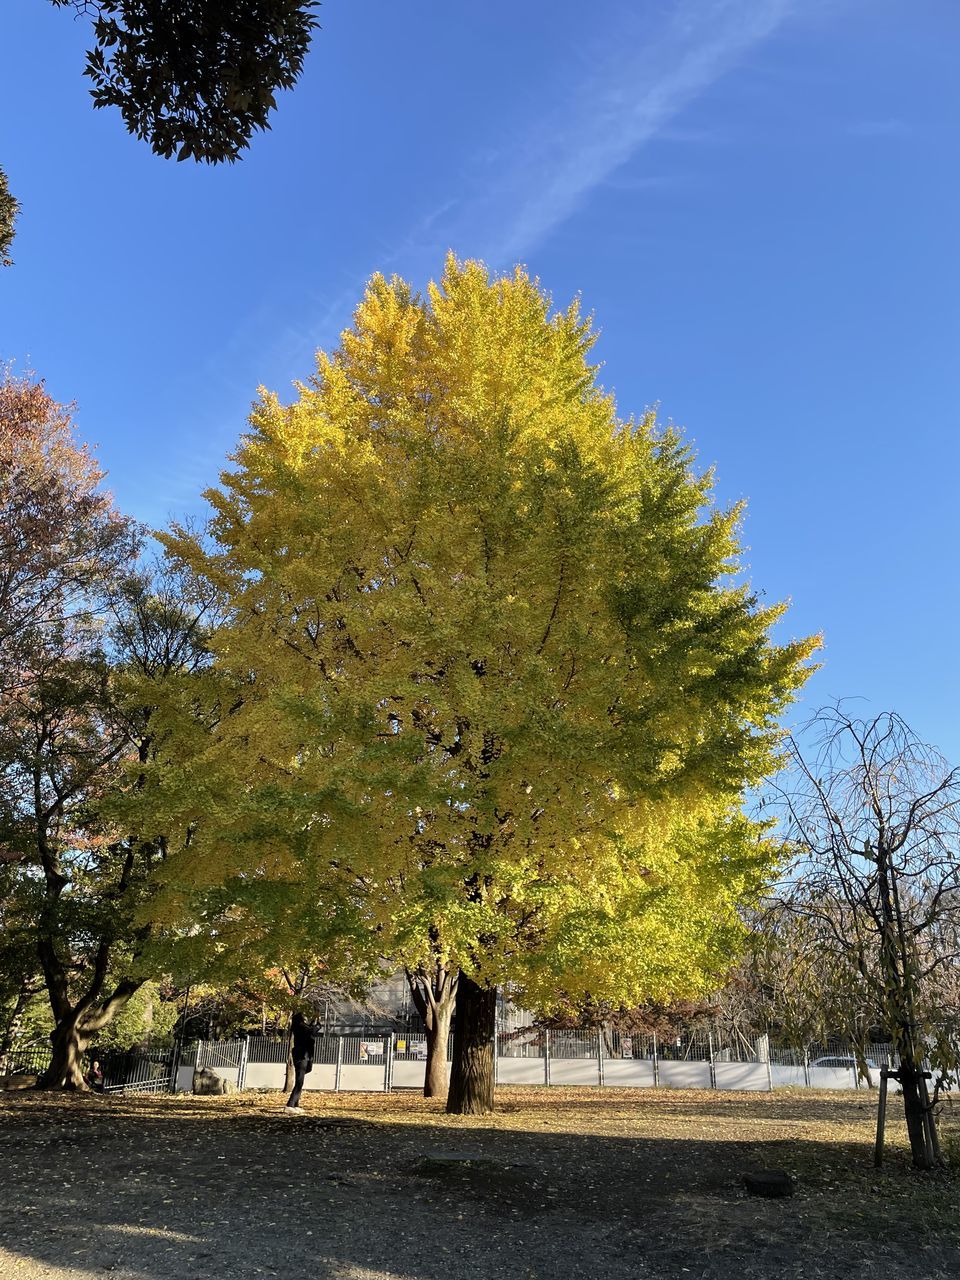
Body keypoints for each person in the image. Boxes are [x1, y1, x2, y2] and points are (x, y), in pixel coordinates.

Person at [285, 1013, 313, 1113]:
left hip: (299, 1056)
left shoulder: (297, 1028)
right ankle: (290, 1104)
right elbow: (311, 1030)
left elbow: (309, 1030)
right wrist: (317, 1022)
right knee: (299, 1082)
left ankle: (296, 1104)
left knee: (299, 1082)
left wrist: (314, 1020)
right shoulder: (301, 1028)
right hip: (302, 1057)